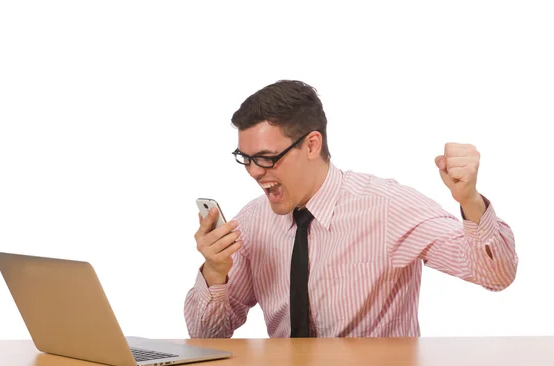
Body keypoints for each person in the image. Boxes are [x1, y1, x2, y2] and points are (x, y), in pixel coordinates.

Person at [184, 80, 518, 338]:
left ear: (312, 144)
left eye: (267, 158)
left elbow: (497, 275)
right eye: (247, 159)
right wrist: (215, 271)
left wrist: (470, 201)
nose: (255, 171)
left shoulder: (387, 207)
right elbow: (207, 336)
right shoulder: (254, 221)